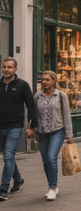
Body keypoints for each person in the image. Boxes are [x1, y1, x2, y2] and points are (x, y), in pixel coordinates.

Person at [31, 71, 73, 200]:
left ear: (54, 81)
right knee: (45, 161)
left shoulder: (61, 96)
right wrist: (32, 129)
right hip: (42, 132)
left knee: (51, 158)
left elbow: (66, 115)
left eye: (47, 80)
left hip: (57, 131)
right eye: (43, 79)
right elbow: (34, 115)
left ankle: (52, 188)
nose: (44, 82)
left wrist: (69, 135)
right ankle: (52, 184)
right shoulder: (37, 96)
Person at [0, 57, 38, 201]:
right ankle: (18, 180)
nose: (6, 70)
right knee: (8, 157)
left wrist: (31, 126)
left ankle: (3, 188)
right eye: (4, 67)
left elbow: (31, 106)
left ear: (15, 69)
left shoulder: (22, 85)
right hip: (0, 127)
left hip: (15, 127)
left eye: (9, 67)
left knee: (8, 156)